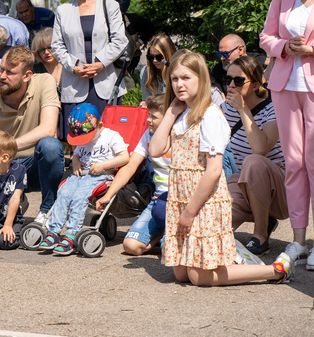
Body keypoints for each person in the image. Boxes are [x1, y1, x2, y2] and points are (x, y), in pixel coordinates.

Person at [149, 49, 292, 285]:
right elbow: (155, 150)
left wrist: (189, 212)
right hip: (182, 196)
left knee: (199, 276)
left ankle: (274, 270)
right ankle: (235, 256)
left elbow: (214, 170)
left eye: (186, 78)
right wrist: (170, 113)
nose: (179, 84)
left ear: (201, 78)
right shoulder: (181, 111)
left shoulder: (210, 115)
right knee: (181, 273)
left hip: (203, 201)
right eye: (174, 78)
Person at [260, 0, 314, 269]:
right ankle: (299, 241)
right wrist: (284, 45)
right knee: (294, 163)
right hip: (283, 85)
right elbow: (265, 37)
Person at [0, 46, 62, 223]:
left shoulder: (44, 82)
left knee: (50, 146)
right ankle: (16, 200)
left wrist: (7, 147)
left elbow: (48, 129)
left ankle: (47, 211)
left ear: (27, 76)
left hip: (36, 163)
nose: (2, 76)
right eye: (1, 70)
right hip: (4, 165)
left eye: (10, 73)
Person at [36, 103, 129, 255]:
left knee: (79, 197)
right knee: (63, 193)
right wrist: (76, 161)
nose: (83, 140)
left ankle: (71, 235)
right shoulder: (81, 136)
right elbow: (77, 153)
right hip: (81, 174)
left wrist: (103, 165)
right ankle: (54, 231)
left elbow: (125, 157)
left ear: (99, 124)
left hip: (101, 175)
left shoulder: (112, 136)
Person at [221, 56, 285, 256]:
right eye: (228, 79)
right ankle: (265, 219)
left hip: (282, 189)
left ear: (256, 84)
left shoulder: (272, 109)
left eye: (238, 81)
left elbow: (260, 148)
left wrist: (242, 109)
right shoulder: (225, 110)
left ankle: (260, 235)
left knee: (254, 161)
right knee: (214, 226)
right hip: (246, 184)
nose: (231, 85)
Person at [52, 0, 128, 126]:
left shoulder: (109, 5)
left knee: (109, 137)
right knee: (78, 139)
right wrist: (74, 66)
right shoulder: (63, 11)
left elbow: (120, 39)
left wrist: (100, 63)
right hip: (75, 83)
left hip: (105, 82)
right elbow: (57, 46)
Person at [96, 94, 168, 256]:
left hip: (180, 201)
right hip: (158, 201)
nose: (148, 119)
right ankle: (162, 235)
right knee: (130, 246)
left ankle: (168, 241)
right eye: (148, 114)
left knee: (172, 254)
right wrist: (109, 195)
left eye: (153, 116)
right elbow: (130, 166)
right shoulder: (148, 135)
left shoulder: (180, 136)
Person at [140, 34, 176, 101]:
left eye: (159, 57)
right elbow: (146, 100)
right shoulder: (145, 73)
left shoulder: (178, 71)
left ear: (168, 54)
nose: (154, 60)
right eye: (151, 57)